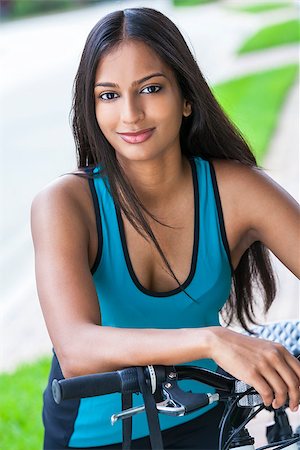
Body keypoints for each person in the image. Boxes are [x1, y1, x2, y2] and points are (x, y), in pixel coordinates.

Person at [30, 7, 300, 450]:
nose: (131, 114)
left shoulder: (237, 189)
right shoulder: (64, 204)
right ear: (92, 108)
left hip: (209, 419)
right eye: (109, 95)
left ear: (186, 97)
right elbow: (77, 348)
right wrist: (214, 340)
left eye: (151, 89)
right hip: (93, 435)